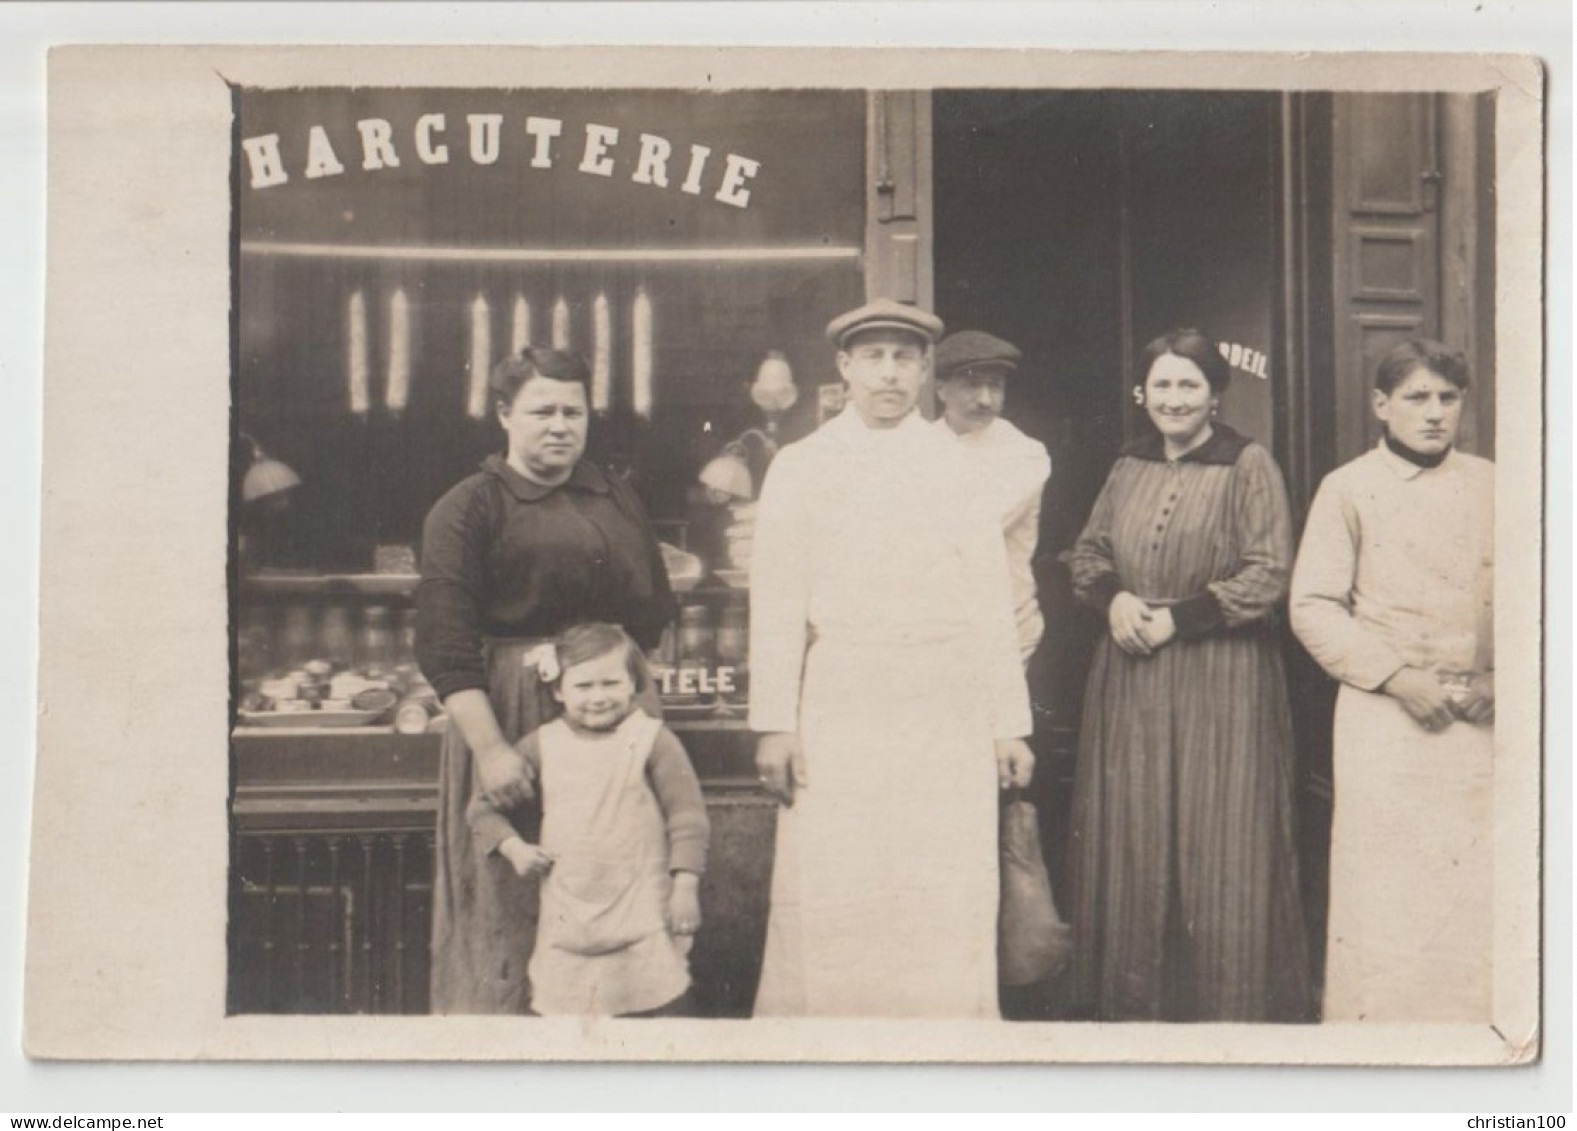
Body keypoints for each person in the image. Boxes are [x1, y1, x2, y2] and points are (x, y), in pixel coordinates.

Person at [748, 298, 1035, 1019]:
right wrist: (772, 723)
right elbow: (777, 601)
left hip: (943, 700)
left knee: (940, 884)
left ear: (923, 369)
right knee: (840, 878)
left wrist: (1008, 722)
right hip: (844, 694)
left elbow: (986, 599)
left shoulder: (958, 465)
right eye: (872, 356)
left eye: (903, 357)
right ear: (843, 367)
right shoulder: (802, 465)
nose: (888, 373)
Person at [416, 347, 676, 1014]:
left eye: (573, 411)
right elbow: (445, 646)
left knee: (613, 876)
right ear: (504, 414)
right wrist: (493, 749)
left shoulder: (614, 495)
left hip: (612, 708)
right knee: (518, 888)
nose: (559, 425)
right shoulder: (468, 505)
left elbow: (652, 611)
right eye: (541, 411)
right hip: (511, 709)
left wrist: (636, 702)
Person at [1063, 328, 1311, 1022]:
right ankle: (1131, 1004)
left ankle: (1227, 1011)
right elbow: (1086, 552)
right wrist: (1112, 596)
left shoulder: (1247, 464)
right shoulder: (1128, 464)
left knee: (1219, 833)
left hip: (1220, 677)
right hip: (1131, 672)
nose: (1173, 400)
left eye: (1188, 385)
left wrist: (1181, 618)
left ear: (1214, 393)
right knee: (1132, 833)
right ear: (1143, 394)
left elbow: (1267, 573)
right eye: (1161, 386)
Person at [1290, 339, 1495, 1022]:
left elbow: (1543, 591)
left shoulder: (1497, 483)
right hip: (1388, 723)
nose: (1434, 413)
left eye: (1446, 397)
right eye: (1415, 397)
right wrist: (1397, 677)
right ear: (1381, 405)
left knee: (1471, 891)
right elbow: (1311, 605)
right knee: (1386, 895)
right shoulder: (1347, 488)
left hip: (1480, 724)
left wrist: (1502, 676)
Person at [466, 622, 709, 1017]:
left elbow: (687, 816)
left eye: (611, 683)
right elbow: (481, 809)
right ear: (558, 689)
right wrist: (515, 849)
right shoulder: (542, 745)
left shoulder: (652, 740)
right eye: (583, 686)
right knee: (569, 1025)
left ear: (633, 683)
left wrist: (686, 885)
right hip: (570, 916)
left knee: (655, 1012)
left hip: (643, 909)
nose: (598, 698)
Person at [933, 330, 1053, 664]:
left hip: (1002, 628)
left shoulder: (1023, 454)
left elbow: (969, 528)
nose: (985, 399)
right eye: (972, 384)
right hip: (932, 629)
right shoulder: (917, 446)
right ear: (940, 388)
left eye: (995, 385)